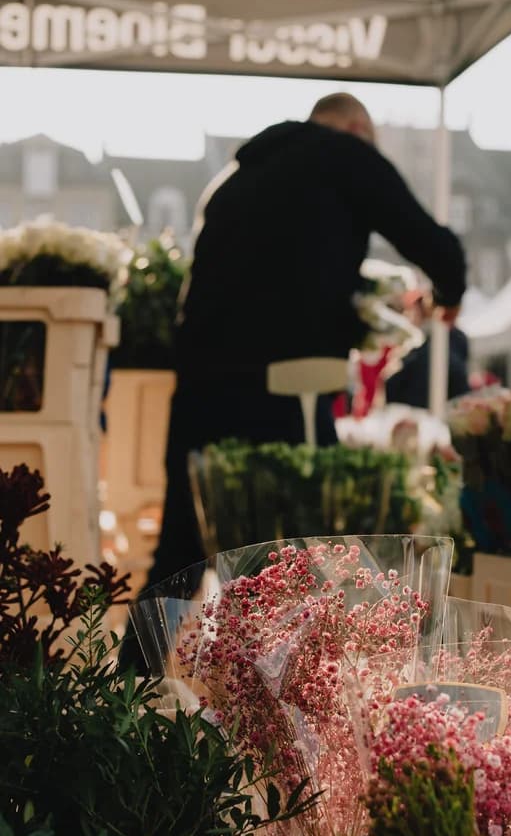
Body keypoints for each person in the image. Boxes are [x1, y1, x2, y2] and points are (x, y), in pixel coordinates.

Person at [119, 93, 465, 671]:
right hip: (284, 400)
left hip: (200, 393)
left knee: (180, 554)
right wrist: (445, 298)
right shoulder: (347, 155)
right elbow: (436, 248)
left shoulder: (231, 180)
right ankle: (284, 709)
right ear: (358, 128)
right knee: (295, 560)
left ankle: (119, 699)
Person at [385, 290, 470, 408]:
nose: (408, 315)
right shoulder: (411, 341)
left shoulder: (446, 339)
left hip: (430, 409)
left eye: (411, 310)